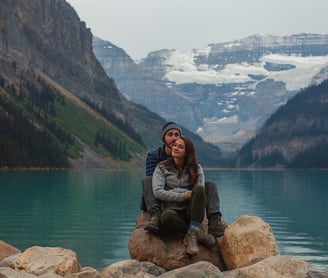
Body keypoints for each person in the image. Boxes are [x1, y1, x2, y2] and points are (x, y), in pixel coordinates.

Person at [141, 122, 226, 238]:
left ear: (186, 152)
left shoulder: (192, 164)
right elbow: (154, 184)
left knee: (210, 185)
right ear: (164, 138)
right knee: (147, 180)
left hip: (186, 201)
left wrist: (182, 193)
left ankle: (214, 222)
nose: (174, 138)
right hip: (163, 199)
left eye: (176, 135)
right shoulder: (156, 158)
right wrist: (179, 193)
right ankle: (156, 216)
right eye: (170, 134)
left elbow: (196, 187)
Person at [152, 136, 215, 255]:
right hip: (173, 212)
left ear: (187, 153)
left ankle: (194, 228)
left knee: (200, 189)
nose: (175, 148)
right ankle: (195, 233)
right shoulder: (162, 167)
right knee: (166, 216)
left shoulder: (197, 168)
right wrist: (183, 194)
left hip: (192, 212)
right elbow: (158, 192)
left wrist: (173, 190)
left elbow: (198, 191)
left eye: (180, 147)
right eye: (175, 145)